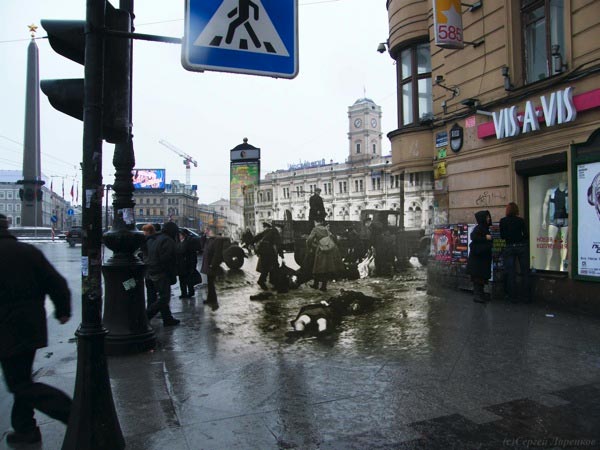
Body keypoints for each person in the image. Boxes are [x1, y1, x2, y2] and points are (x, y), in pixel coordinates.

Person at [0, 214, 72, 445]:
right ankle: (25, 429)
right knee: (21, 377)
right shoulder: (27, 252)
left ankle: (73, 412)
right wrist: (63, 310)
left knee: (19, 383)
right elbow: (57, 283)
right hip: (30, 326)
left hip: (6, 327)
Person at [145, 221, 180, 326]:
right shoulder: (168, 241)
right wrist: (170, 273)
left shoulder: (155, 238)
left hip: (152, 271)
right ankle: (146, 316)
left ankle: (167, 318)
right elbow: (167, 259)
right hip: (161, 272)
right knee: (164, 298)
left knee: (161, 297)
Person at [500, 202, 530, 303]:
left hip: (509, 247)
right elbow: (526, 235)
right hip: (521, 246)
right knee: (524, 271)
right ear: (517, 210)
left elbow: (502, 236)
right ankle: (526, 296)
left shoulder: (503, 221)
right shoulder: (521, 221)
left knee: (510, 272)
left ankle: (512, 296)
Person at [306, 219, 345, 291]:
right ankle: (323, 286)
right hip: (329, 250)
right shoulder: (326, 229)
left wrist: (310, 247)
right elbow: (333, 237)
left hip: (321, 250)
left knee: (317, 268)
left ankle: (316, 284)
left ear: (316, 222)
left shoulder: (315, 229)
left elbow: (309, 239)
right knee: (326, 269)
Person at [541, 175, 568, 271]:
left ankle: (562, 265)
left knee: (563, 243)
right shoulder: (551, 191)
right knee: (550, 243)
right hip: (553, 220)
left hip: (566, 220)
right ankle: (547, 265)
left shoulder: (569, 191)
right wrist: (544, 219)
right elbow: (545, 204)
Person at [466, 210, 493, 303]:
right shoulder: (479, 228)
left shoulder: (484, 228)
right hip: (478, 259)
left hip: (481, 258)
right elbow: (473, 237)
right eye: (487, 217)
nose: (489, 218)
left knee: (481, 277)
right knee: (478, 278)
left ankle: (480, 294)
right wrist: (485, 238)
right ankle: (477, 296)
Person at [252, 221, 283, 290]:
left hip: (263, 251)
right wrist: (282, 256)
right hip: (269, 252)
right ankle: (266, 282)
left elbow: (258, 236)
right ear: (278, 228)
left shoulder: (268, 230)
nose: (280, 231)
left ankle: (271, 282)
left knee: (266, 267)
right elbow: (278, 245)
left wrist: (251, 242)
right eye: (280, 230)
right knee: (275, 267)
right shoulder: (276, 232)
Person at [200, 226, 223, 306]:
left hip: (212, 265)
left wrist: (212, 264)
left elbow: (217, 254)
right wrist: (203, 236)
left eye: (206, 230)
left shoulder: (216, 240)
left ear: (210, 231)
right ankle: (211, 299)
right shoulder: (209, 240)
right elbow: (202, 246)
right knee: (210, 283)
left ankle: (213, 300)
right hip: (208, 264)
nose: (205, 231)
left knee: (211, 283)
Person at [176, 228, 198, 299]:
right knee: (181, 280)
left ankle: (191, 292)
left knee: (188, 280)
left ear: (183, 235)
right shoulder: (179, 242)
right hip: (180, 265)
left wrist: (193, 266)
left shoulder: (188, 242)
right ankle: (183, 293)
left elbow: (192, 255)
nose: (179, 236)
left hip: (187, 264)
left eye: (180, 234)